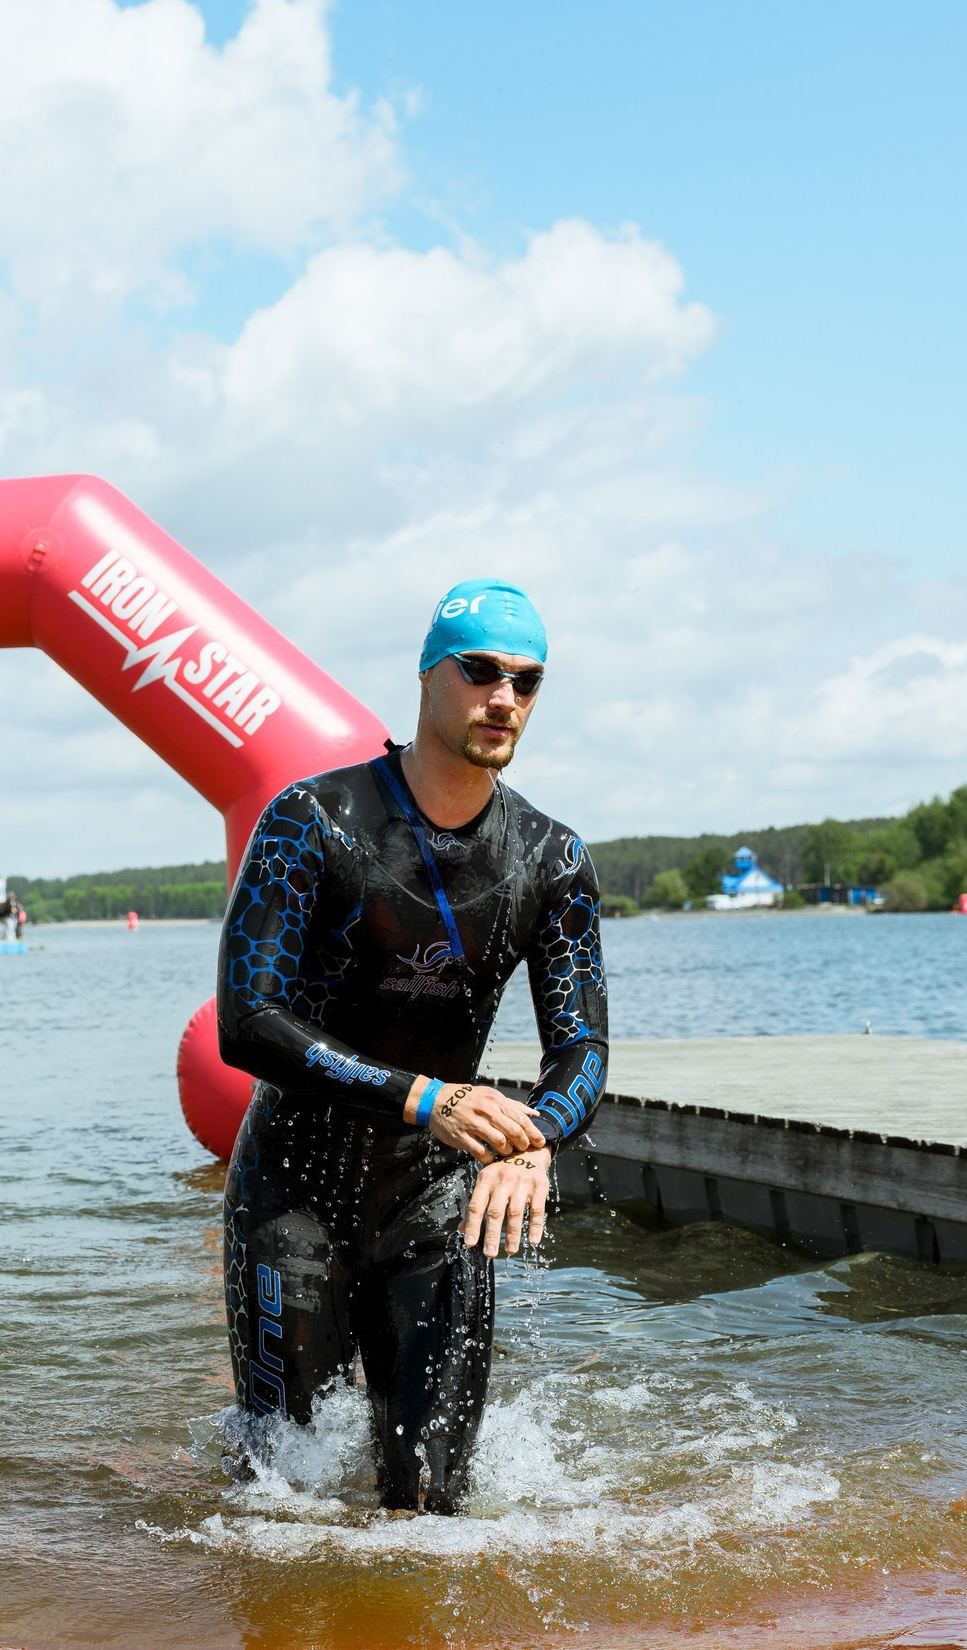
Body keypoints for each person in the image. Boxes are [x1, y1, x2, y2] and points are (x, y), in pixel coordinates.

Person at [215, 578, 607, 1517]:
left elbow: (583, 1047)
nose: (503, 698)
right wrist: (429, 1096)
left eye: (527, 681)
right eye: (480, 672)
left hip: (436, 1201)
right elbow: (248, 1019)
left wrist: (538, 1136)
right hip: (293, 1196)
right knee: (280, 1501)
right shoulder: (313, 822)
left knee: (433, 1505)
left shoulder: (551, 860)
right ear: (428, 677)